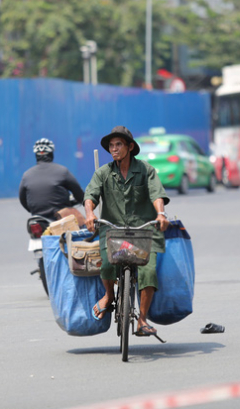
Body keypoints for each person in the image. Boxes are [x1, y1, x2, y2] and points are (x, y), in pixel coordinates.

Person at [84, 126, 170, 337]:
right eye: (111, 146)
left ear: (130, 147)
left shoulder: (146, 170)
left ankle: (142, 319)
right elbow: (90, 196)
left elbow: (156, 194)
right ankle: (108, 295)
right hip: (112, 230)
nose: (114, 149)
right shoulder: (103, 173)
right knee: (106, 264)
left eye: (119, 145)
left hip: (143, 230)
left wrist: (160, 213)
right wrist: (89, 214)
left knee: (148, 271)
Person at [19, 138, 86, 224]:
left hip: (37, 219)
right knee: (84, 227)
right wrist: (82, 199)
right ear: (51, 154)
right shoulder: (63, 171)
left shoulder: (26, 175)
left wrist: (34, 210)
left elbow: (23, 199)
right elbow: (78, 192)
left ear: (36, 156)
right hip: (61, 219)